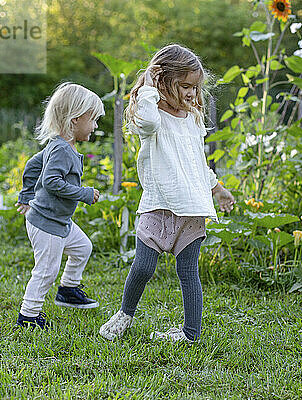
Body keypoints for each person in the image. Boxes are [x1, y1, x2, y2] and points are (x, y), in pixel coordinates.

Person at [99, 44, 235, 343]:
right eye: (185, 86)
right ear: (162, 81)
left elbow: (198, 161)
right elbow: (147, 123)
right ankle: (124, 315)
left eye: (195, 87)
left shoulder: (193, 118)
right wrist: (147, 87)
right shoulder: (150, 115)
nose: (192, 93)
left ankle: (190, 334)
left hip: (190, 207)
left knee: (188, 272)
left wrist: (218, 189)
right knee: (144, 266)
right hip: (158, 204)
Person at [14, 82, 104, 329]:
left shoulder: (59, 144)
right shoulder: (62, 149)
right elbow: (51, 182)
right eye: (93, 119)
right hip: (47, 224)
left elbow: (33, 165)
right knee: (46, 270)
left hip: (60, 221)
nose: (95, 126)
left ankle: (68, 290)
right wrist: (83, 193)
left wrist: (25, 195)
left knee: (83, 247)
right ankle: (29, 316)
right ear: (75, 119)